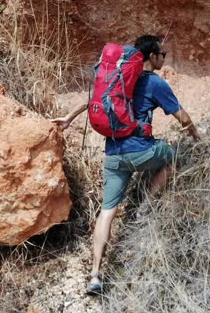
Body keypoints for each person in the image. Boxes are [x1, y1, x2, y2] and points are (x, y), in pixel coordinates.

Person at [51, 34, 201, 295]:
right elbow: (183, 117)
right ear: (152, 57)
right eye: (162, 54)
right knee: (174, 156)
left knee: (107, 212)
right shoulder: (155, 83)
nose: (164, 58)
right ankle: (146, 205)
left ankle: (95, 275)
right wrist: (198, 137)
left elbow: (94, 101)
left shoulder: (117, 80)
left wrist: (68, 118)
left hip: (113, 156)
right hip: (140, 152)